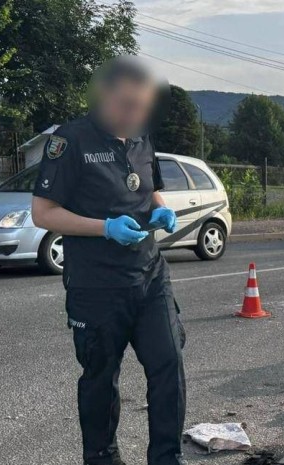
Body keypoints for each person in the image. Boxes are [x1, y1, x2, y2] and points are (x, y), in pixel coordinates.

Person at [30, 57, 185, 465]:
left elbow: (149, 188)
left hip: (150, 275)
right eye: (126, 105)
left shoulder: (141, 136)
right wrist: (105, 227)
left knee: (168, 363)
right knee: (101, 378)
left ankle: (167, 458)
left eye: (141, 107)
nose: (133, 114)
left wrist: (161, 209)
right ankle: (102, 458)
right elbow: (43, 213)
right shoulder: (70, 140)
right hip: (96, 285)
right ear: (103, 96)